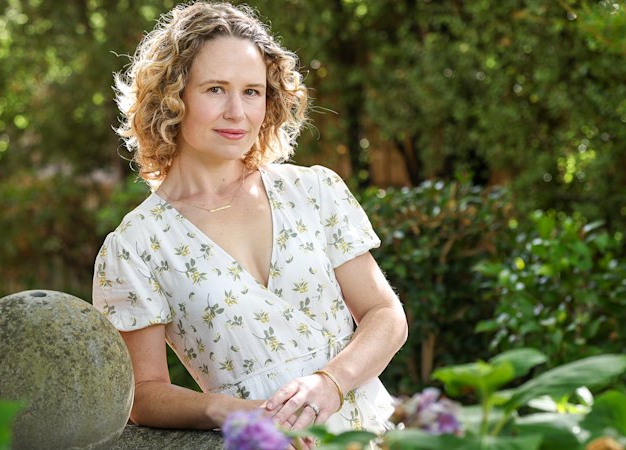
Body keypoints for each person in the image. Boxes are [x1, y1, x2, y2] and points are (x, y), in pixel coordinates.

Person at [92, 0, 408, 442]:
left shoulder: (314, 191)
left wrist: (330, 384)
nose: (237, 112)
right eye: (215, 89)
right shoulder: (136, 245)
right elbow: (142, 394)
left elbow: (385, 313)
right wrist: (239, 412)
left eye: (252, 92)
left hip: (374, 436)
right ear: (172, 98)